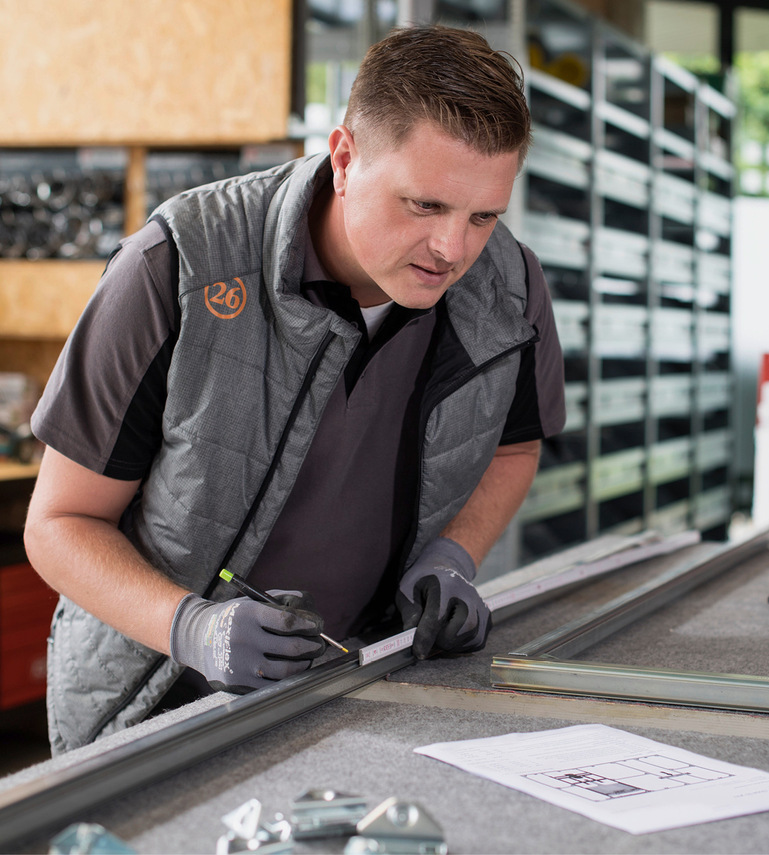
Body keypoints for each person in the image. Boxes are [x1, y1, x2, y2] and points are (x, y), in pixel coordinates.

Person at [24, 24, 566, 754]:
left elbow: (514, 447)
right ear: (344, 159)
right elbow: (57, 524)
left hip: (362, 694)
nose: (455, 250)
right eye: (425, 206)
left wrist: (452, 557)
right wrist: (193, 628)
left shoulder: (509, 286)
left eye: (484, 215)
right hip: (155, 711)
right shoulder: (178, 266)